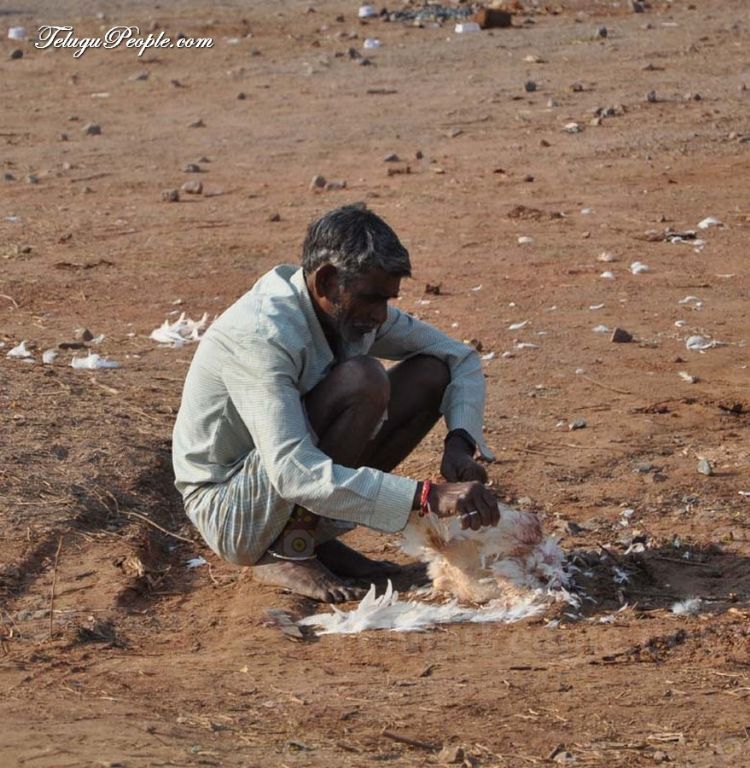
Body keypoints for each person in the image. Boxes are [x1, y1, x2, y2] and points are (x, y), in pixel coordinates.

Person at [172, 205, 499, 602]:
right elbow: (291, 471)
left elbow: (458, 357)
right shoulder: (263, 335)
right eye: (371, 299)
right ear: (326, 281)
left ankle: (311, 538)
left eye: (387, 300)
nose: (380, 315)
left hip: (280, 483)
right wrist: (427, 496)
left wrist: (459, 443)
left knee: (431, 372)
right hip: (230, 509)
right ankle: (288, 549)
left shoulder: (345, 311)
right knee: (363, 380)